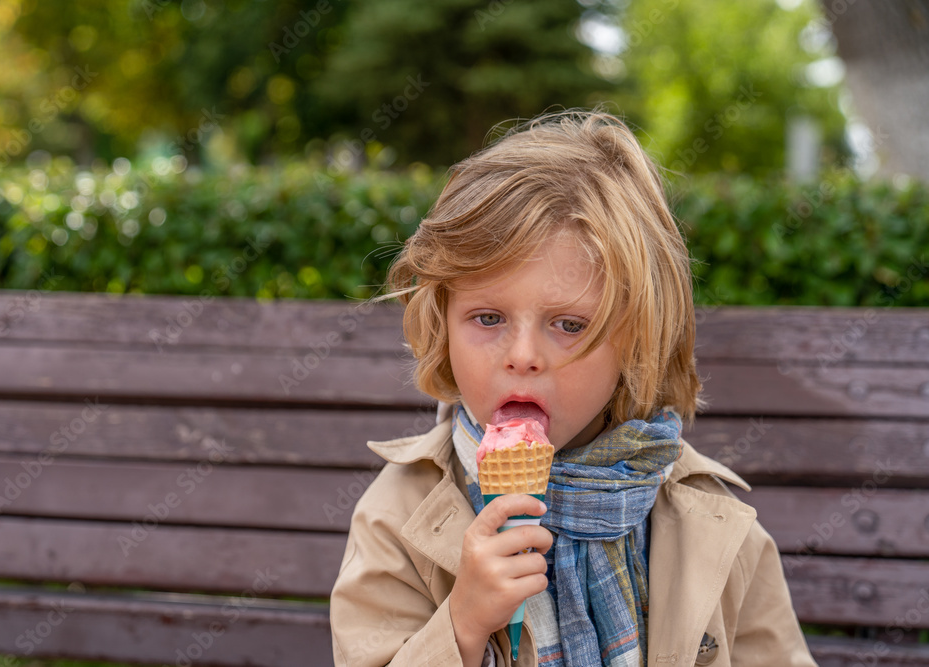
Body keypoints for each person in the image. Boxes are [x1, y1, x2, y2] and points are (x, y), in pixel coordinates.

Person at [329, 110, 817, 667]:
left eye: (569, 325)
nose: (523, 357)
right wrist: (462, 625)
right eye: (488, 318)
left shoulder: (711, 523)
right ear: (442, 322)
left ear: (637, 341)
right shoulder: (398, 517)